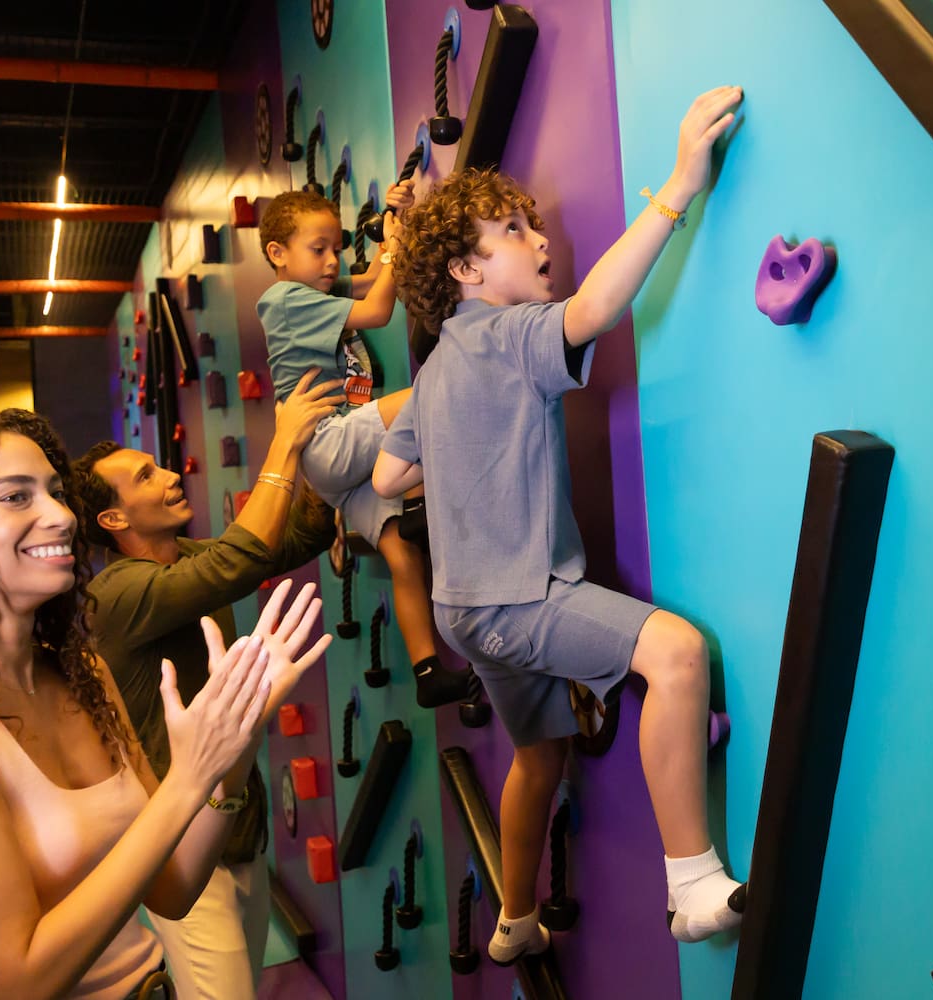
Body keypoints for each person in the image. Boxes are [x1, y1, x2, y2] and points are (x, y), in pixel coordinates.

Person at [374, 87, 749, 963]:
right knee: (678, 655)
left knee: (538, 756)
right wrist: (680, 184)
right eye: (514, 231)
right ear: (466, 272)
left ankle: (512, 920)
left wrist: (463, 446)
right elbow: (595, 311)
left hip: (464, 612)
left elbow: (392, 473)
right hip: (520, 598)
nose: (541, 241)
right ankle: (692, 882)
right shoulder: (511, 336)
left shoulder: (434, 369)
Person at [0, 405, 328, 998]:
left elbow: (175, 887)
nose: (59, 515)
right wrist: (189, 778)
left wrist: (236, 737)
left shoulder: (81, 674)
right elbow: (18, 982)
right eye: (15, 497)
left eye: (56, 493)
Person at [67, 371, 343, 995]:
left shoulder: (183, 560)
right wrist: (282, 443)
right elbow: (240, 560)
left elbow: (290, 539)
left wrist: (327, 444)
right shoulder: (118, 592)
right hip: (184, 853)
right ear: (113, 518)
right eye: (145, 478)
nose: (169, 478)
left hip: (235, 827)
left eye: (161, 467)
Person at [256, 181, 475, 709]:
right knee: (431, 390)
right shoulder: (285, 299)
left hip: (338, 464)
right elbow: (379, 309)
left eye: (335, 248)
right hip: (330, 438)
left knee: (403, 555)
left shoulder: (313, 291)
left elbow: (381, 276)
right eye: (319, 249)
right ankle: (441, 483)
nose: (332, 260)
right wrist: (393, 249)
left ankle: (427, 670)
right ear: (277, 254)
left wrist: (394, 223)